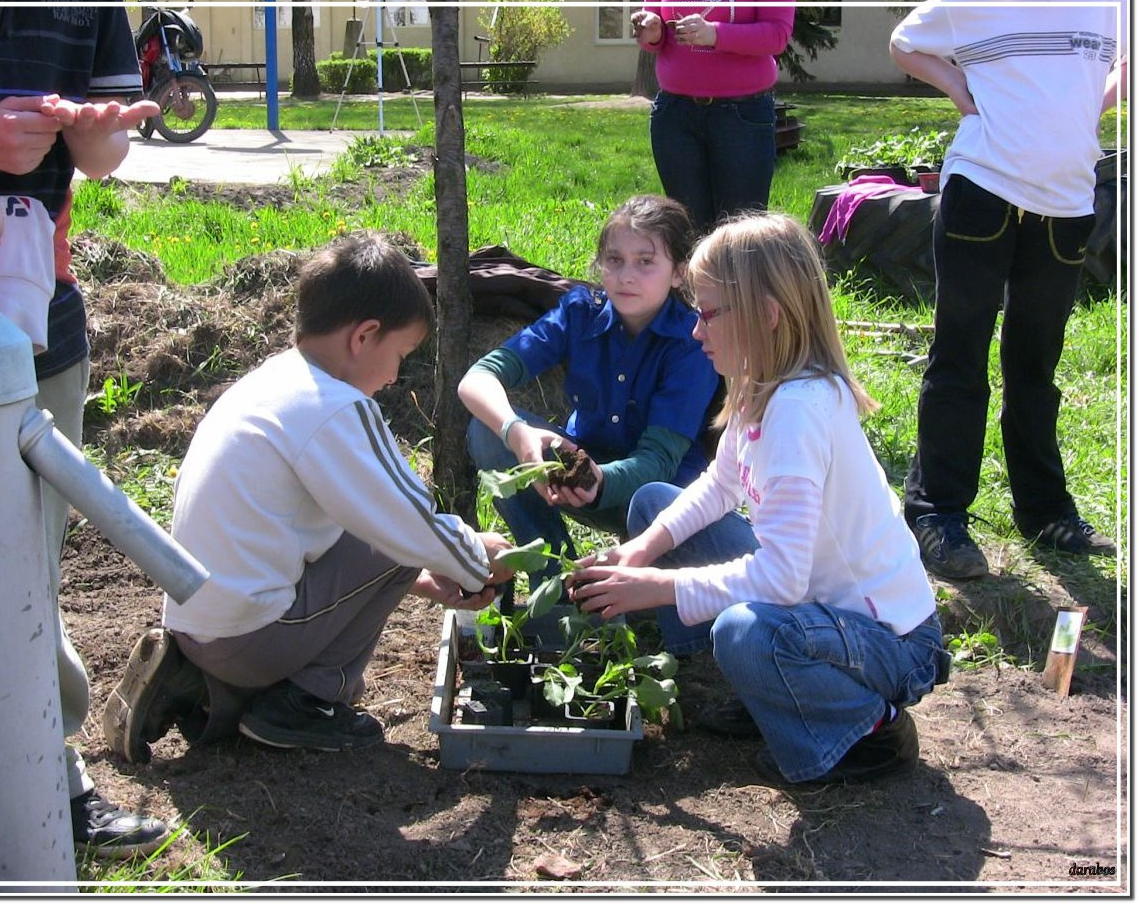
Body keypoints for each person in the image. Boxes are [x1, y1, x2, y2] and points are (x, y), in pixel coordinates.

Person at [104, 233, 514, 761]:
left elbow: (329, 532)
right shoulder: (336, 408)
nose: (393, 378)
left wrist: (428, 579)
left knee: (394, 539)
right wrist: (479, 558)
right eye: (400, 356)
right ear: (364, 336)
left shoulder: (274, 383)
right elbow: (410, 521)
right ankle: (306, 704)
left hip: (198, 625)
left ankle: (204, 686)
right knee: (405, 535)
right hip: (246, 638)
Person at [569, 213, 947, 784]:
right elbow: (719, 487)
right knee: (652, 503)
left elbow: (782, 581)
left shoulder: (798, 412)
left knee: (744, 631)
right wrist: (640, 552)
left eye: (710, 313)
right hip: (817, 615)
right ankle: (768, 685)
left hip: (890, 643)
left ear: (766, 316)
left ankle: (869, 728)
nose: (697, 331)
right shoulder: (762, 389)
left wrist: (656, 588)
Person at [0, 0, 166, 858]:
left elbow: (102, 159)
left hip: (35, 325)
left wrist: (97, 129)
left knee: (26, 565)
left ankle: (44, 780)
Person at [890, 0, 1123, 579]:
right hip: (982, 192)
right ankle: (937, 514)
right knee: (960, 355)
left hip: (1067, 202)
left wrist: (1099, 99)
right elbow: (903, 43)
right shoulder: (973, 1)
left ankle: (1045, 511)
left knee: (1035, 363)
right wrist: (957, 89)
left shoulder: (1109, 3)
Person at [457, 194, 719, 612]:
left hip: (657, 508)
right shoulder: (581, 312)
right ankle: (555, 582)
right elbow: (478, 378)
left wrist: (599, 481)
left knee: (653, 611)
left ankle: (627, 586)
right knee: (488, 431)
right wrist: (515, 431)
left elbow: (660, 461)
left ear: (678, 274)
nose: (626, 276)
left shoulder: (691, 342)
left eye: (645, 261)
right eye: (614, 259)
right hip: (576, 479)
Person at [630, 0, 795, 233]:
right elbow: (655, 31)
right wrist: (652, 33)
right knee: (688, 230)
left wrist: (716, 34)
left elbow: (777, 35)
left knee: (741, 234)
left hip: (742, 115)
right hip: (675, 114)